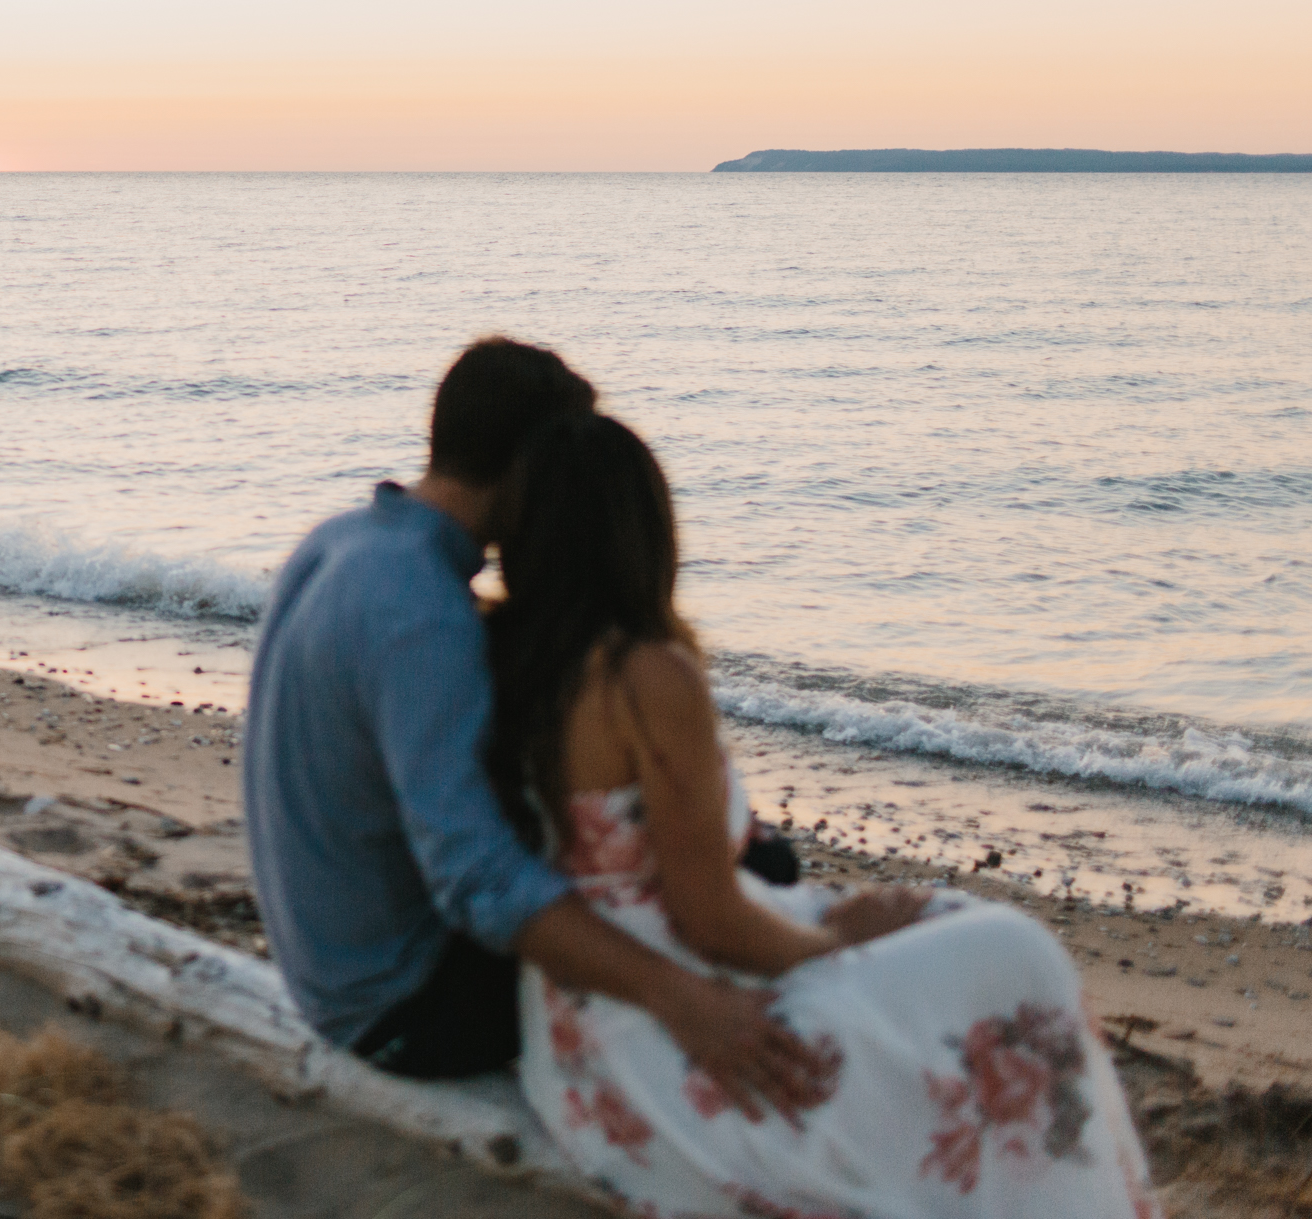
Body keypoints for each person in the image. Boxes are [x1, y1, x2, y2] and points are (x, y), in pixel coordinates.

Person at [488, 412, 1157, 1216]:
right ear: (643, 529)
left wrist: (837, 923)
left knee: (947, 921)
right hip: (666, 1036)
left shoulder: (502, 656)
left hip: (577, 1029)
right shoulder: (646, 676)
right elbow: (707, 920)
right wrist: (836, 939)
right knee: (1021, 956)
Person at [244, 337, 830, 1118]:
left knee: (752, 864)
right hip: (403, 1007)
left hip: (325, 966)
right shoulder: (423, 615)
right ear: (528, 467)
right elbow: (478, 882)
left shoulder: (342, 543)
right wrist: (678, 996)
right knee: (770, 878)